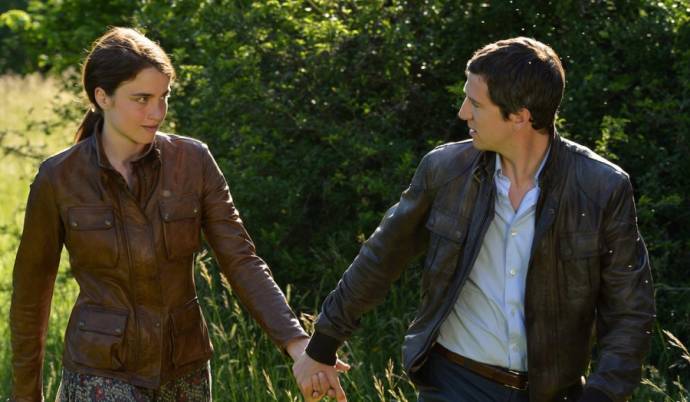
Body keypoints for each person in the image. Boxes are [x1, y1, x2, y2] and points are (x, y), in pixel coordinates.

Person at [292, 37, 655, 402]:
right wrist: (321, 347)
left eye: (476, 103)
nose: (464, 112)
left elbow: (630, 313)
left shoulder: (601, 188)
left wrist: (602, 396)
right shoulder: (445, 171)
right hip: (454, 384)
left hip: (553, 394)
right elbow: (380, 258)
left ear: (519, 116)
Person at [9, 27, 332, 402]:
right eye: (142, 99)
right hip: (100, 370)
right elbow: (31, 295)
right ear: (103, 97)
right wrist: (25, 393)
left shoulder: (192, 161)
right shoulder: (59, 178)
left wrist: (297, 344)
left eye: (164, 97)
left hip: (185, 370)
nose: (156, 112)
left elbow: (241, 260)